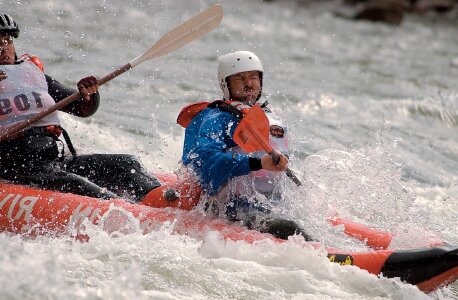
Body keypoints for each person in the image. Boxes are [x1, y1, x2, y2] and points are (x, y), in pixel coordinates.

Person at [0, 12, 160, 201]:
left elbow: (81, 109)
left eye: (7, 41)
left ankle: (164, 200)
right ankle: (132, 215)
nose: (4, 49)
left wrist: (89, 95)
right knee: (84, 188)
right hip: (16, 168)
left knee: (127, 164)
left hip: (52, 161)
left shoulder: (30, 74)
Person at [179, 50, 312, 240]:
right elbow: (205, 164)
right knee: (289, 228)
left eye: (253, 77)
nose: (249, 84)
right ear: (226, 84)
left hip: (271, 204)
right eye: (240, 79)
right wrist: (257, 163)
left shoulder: (271, 117)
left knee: (300, 221)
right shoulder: (217, 118)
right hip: (232, 208)